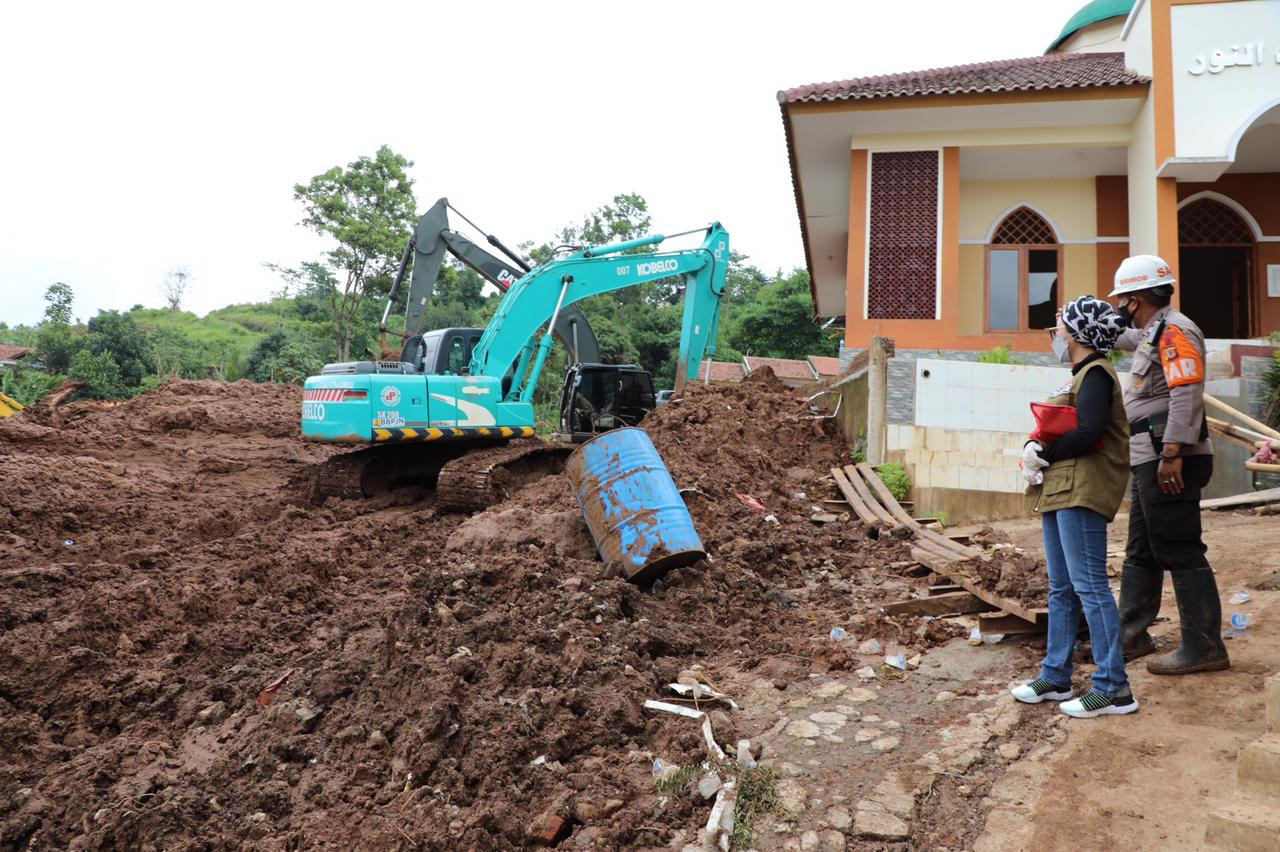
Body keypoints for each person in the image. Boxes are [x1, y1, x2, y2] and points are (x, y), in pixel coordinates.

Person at [1012, 296, 1138, 718]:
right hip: (1062, 490)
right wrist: (1035, 444)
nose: (1056, 335)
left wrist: (1043, 453)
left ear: (1079, 333)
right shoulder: (1080, 375)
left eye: (1061, 327)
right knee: (1061, 588)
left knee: (1090, 588)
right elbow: (1064, 425)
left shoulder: (1097, 374)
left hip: (1083, 491)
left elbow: (1087, 433)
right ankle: (1056, 675)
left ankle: (1114, 688)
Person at [1110, 255, 1229, 675]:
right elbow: (1128, 339)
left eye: (1122, 300)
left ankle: (1204, 646)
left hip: (1169, 456)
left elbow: (1185, 394)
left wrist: (1172, 454)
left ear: (1136, 298)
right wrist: (1086, 323)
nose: (1121, 307)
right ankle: (1131, 635)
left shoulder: (1176, 330)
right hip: (1151, 453)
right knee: (1143, 548)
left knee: (1178, 546)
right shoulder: (1154, 330)